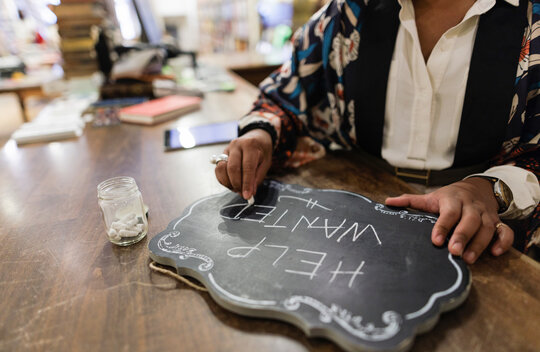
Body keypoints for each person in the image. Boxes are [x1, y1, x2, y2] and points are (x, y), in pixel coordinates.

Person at [215, 0, 540, 264]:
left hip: (481, 240)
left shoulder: (532, 25)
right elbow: (282, 99)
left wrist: (490, 189)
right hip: (350, 225)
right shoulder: (346, 14)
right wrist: (261, 136)